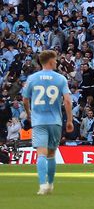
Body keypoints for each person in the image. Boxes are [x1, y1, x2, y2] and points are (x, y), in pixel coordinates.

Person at [21, 49, 73, 195]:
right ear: (50, 61)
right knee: (51, 154)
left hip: (39, 121)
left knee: (41, 154)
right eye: (55, 60)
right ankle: (50, 184)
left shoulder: (32, 78)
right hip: (55, 121)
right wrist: (69, 120)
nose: (56, 62)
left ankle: (42, 184)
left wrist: (29, 113)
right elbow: (67, 101)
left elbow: (25, 99)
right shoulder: (60, 79)